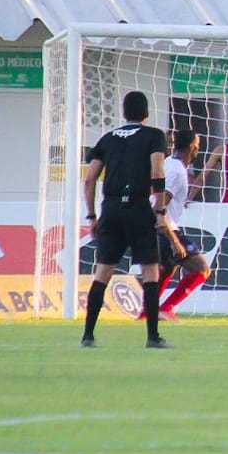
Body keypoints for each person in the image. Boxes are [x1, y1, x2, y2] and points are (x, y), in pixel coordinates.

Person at [81, 91, 169, 349]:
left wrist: (92, 215)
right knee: (150, 270)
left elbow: (89, 179)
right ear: (146, 113)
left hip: (110, 209)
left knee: (103, 272)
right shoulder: (154, 136)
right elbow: (157, 170)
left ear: (124, 112)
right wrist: (160, 210)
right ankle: (152, 336)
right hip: (138, 207)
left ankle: (88, 335)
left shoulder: (107, 138)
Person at [155, 129, 211, 320]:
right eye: (197, 145)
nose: (198, 149)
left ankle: (147, 312)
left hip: (160, 226)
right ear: (192, 147)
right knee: (201, 268)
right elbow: (160, 204)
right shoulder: (177, 170)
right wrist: (172, 239)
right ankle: (164, 308)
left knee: (167, 268)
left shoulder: (170, 164)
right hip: (163, 227)